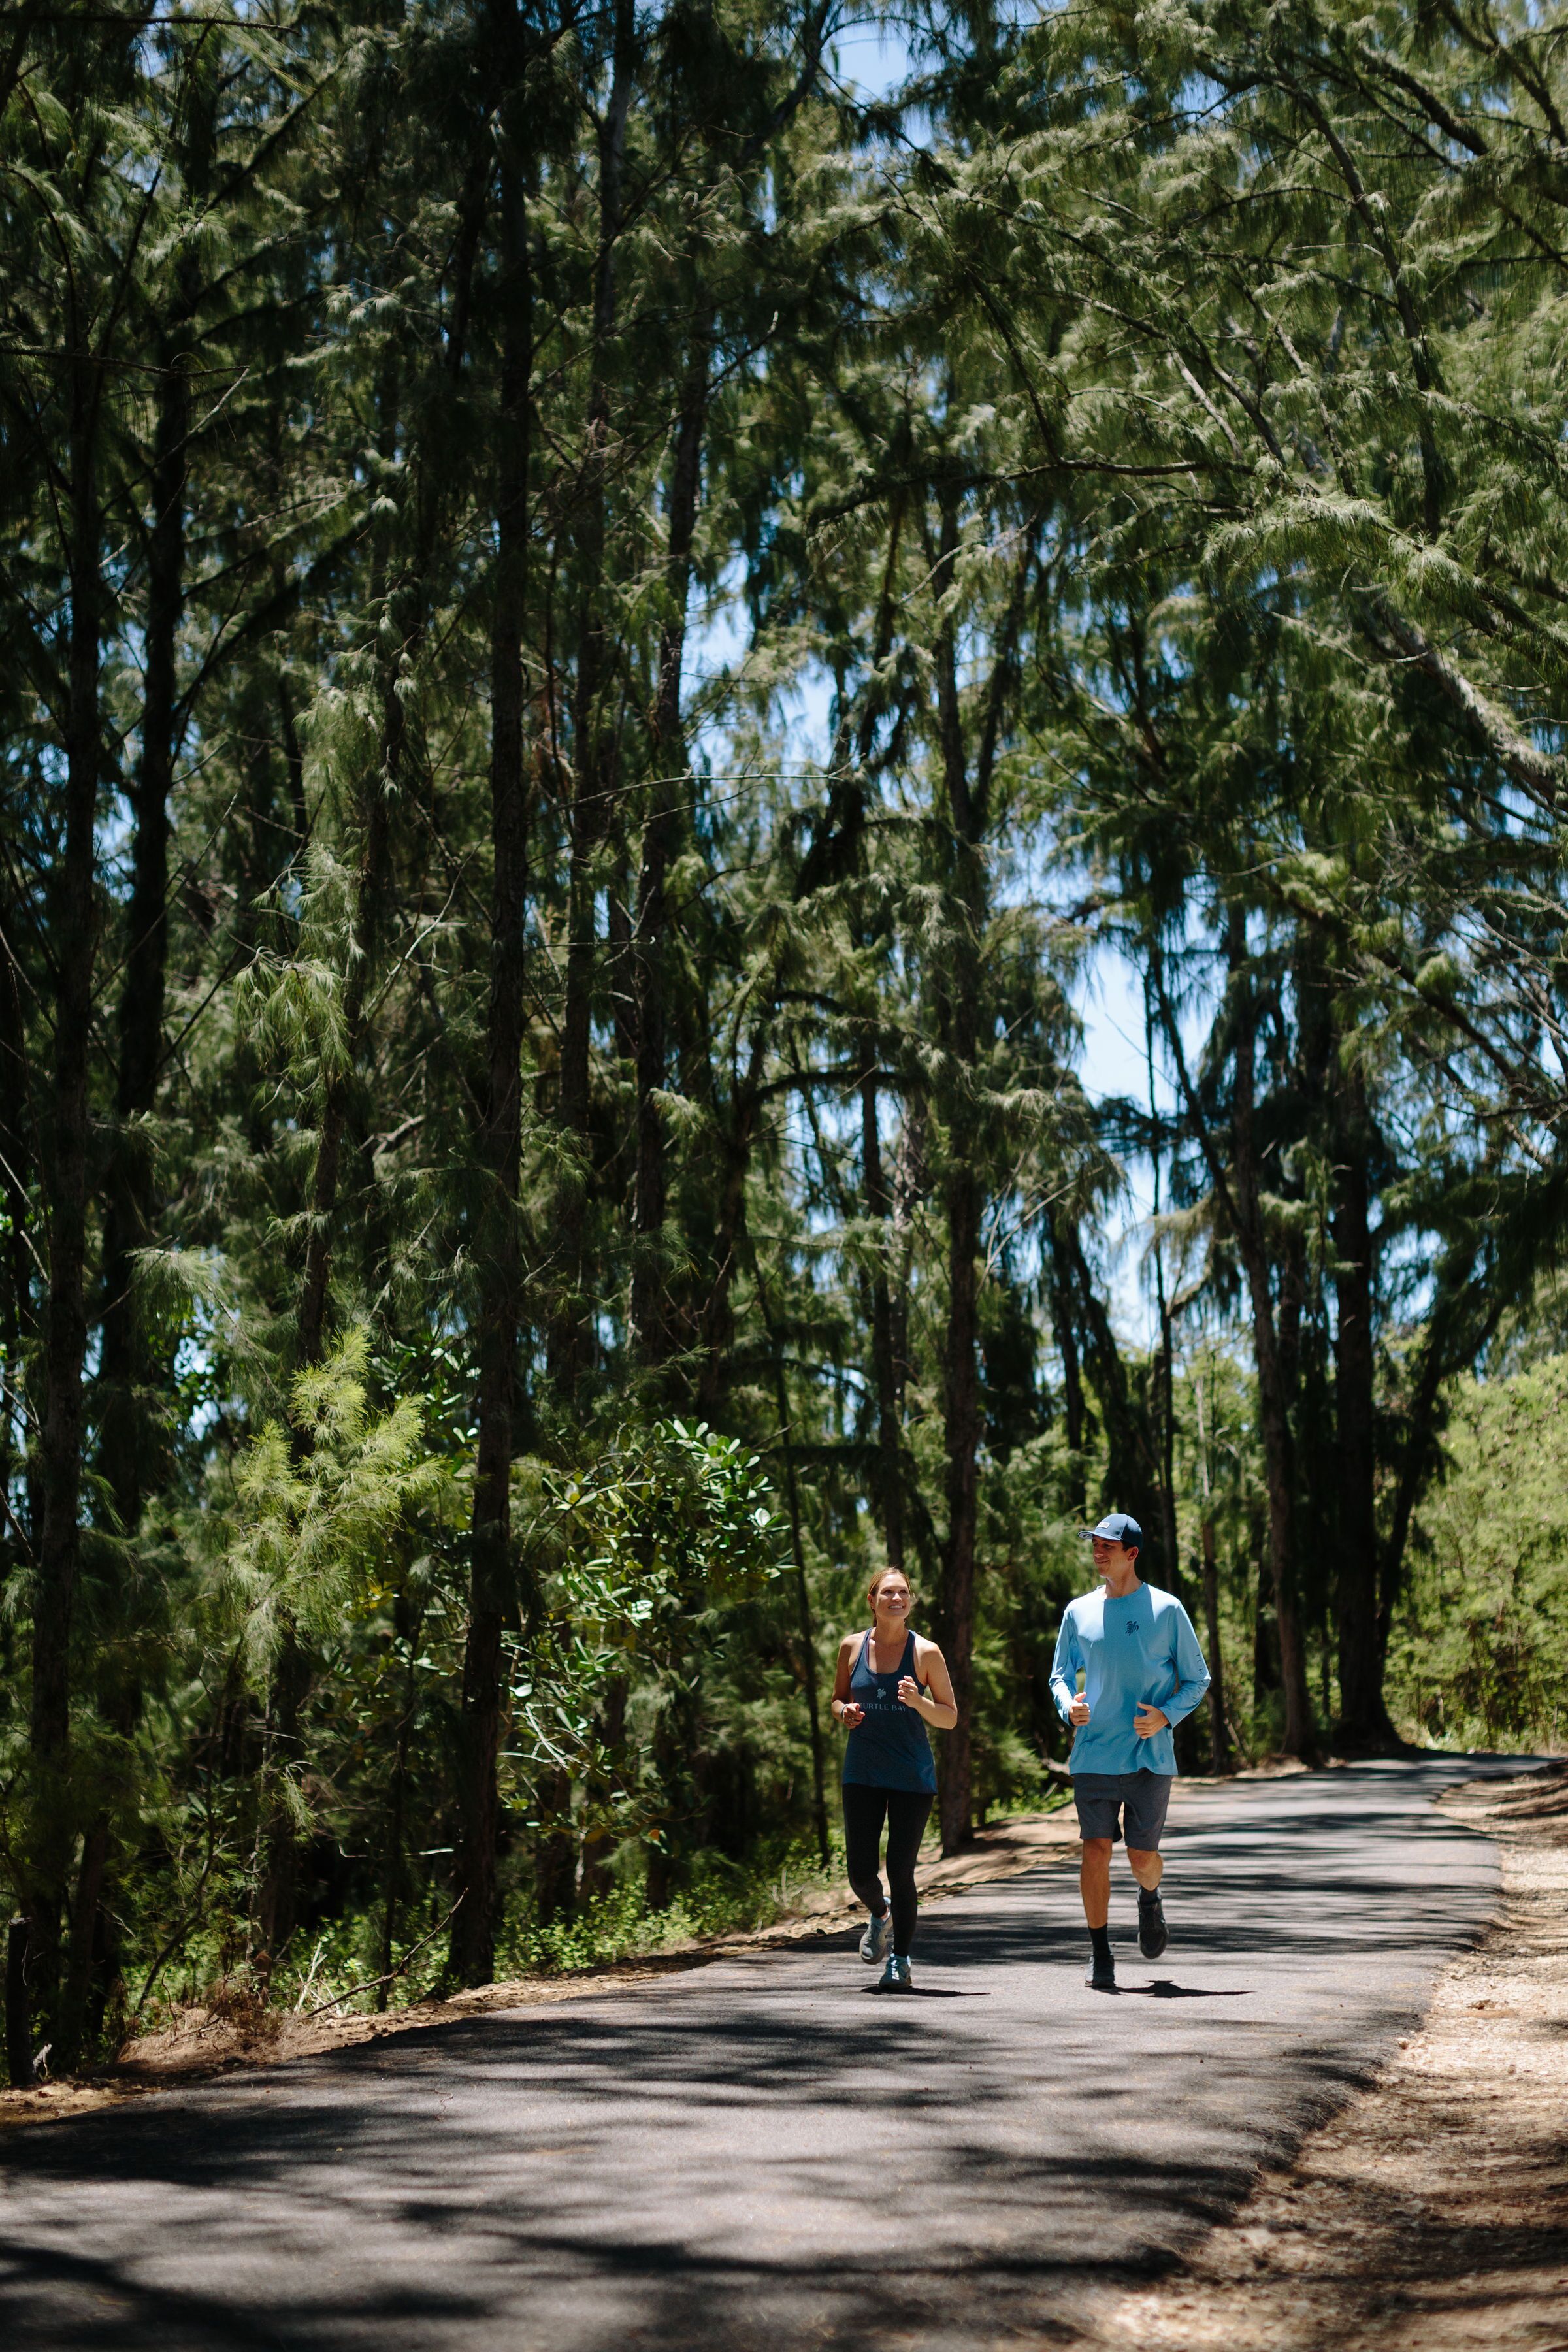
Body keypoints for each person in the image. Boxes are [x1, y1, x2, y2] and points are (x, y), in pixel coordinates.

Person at [1049, 1512, 1211, 1991]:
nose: (1098, 1553)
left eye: (1107, 1546)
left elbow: (1197, 1679)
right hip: (1094, 1754)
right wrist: (1067, 1706)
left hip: (1149, 1756)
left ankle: (1150, 1896)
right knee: (1095, 1851)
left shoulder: (1167, 1610)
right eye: (1094, 1545)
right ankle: (1100, 1952)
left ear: (1132, 1553)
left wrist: (1165, 1715)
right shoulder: (1078, 1612)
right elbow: (1060, 1675)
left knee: (1142, 1858)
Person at [830, 1567, 958, 1991]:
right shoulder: (851, 1647)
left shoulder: (926, 1653)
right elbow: (837, 1699)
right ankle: (881, 1913)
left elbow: (950, 1717)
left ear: (911, 1601)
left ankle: (900, 1961)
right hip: (863, 1771)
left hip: (911, 1775)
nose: (896, 1598)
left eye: (903, 1592)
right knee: (861, 1874)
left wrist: (919, 1702)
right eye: (888, 1592)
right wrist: (843, 1712)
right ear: (872, 1600)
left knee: (902, 1869)